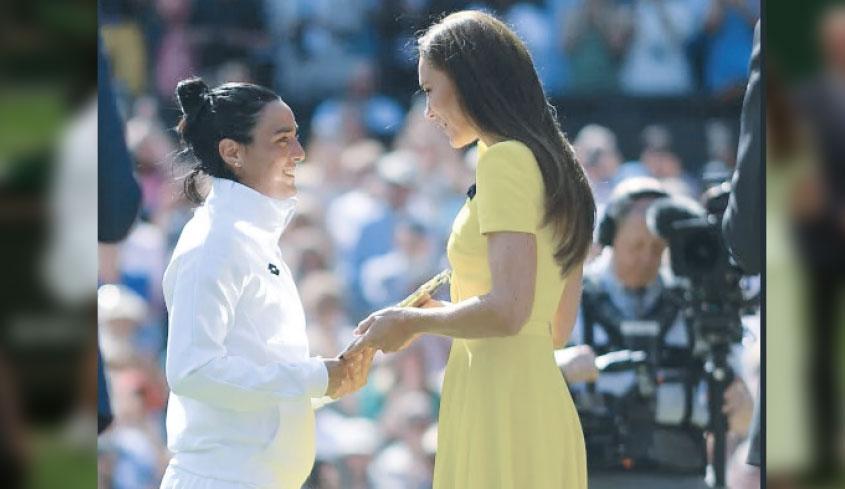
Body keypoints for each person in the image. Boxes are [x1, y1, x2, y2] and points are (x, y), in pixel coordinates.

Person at [345, 11, 596, 488]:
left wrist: (414, 323)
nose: (427, 111)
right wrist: (445, 312)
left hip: (499, 405)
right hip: (536, 400)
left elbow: (508, 312)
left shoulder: (505, 161)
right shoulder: (550, 161)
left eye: (429, 89)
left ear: (470, 82)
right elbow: (552, 328)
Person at [159, 78, 373, 489]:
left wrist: (335, 379)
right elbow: (191, 371)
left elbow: (259, 370)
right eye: (282, 140)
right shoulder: (214, 242)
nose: (299, 152)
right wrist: (316, 378)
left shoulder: (246, 235)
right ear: (232, 152)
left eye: (296, 137)